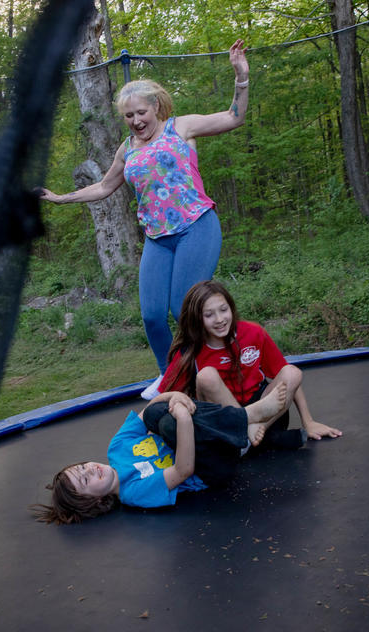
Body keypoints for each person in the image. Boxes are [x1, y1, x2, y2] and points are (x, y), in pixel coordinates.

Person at [39, 39, 251, 399]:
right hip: (157, 238)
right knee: (153, 315)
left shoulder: (181, 128)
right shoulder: (128, 148)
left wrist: (241, 77)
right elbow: (105, 186)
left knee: (180, 308)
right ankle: (170, 374)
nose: (136, 121)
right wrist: (61, 198)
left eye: (142, 113)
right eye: (129, 116)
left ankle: (210, 373)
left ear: (156, 106)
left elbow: (234, 117)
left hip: (196, 227)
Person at [31, 383, 288, 524]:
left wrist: (175, 396)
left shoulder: (116, 449)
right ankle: (247, 418)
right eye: (86, 480)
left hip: (198, 437)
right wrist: (184, 419)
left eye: (82, 467)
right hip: (211, 468)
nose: (90, 469)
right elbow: (183, 470)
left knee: (158, 415)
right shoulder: (133, 493)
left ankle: (254, 426)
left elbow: (149, 409)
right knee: (169, 423)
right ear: (94, 502)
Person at [157, 280, 342, 443]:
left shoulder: (253, 332)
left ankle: (248, 439)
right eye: (209, 315)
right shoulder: (190, 350)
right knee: (206, 376)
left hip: (265, 417)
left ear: (231, 308)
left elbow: (286, 375)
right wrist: (146, 432)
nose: (220, 319)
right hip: (222, 419)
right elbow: (162, 398)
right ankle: (255, 437)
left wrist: (308, 421)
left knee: (292, 372)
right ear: (197, 318)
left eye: (223, 310)